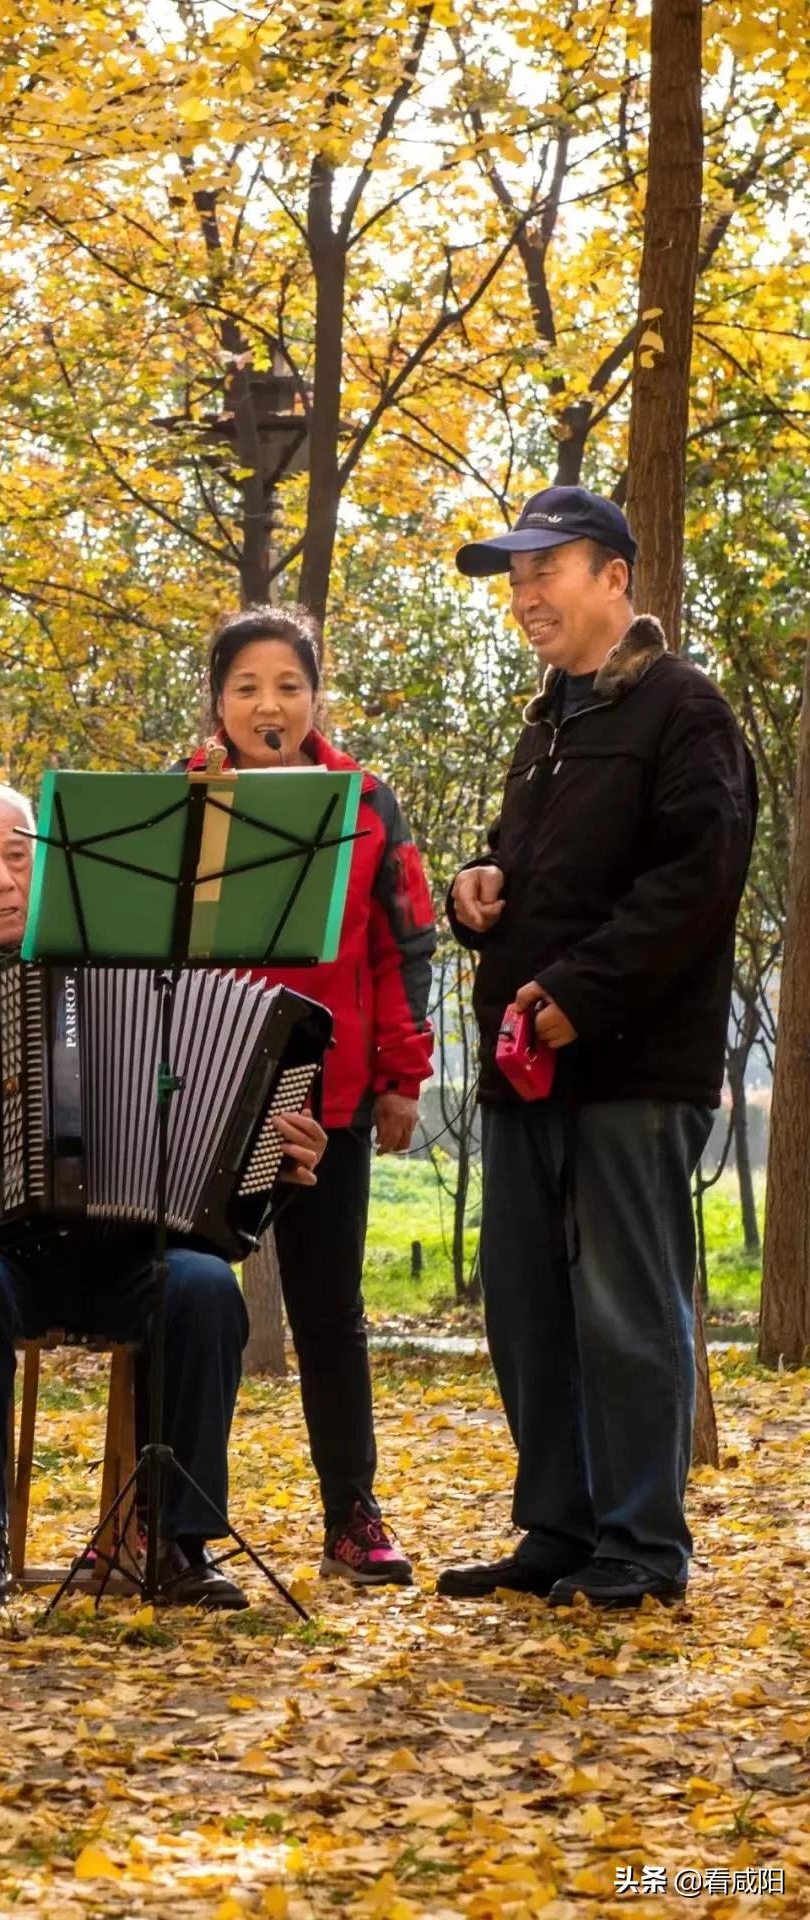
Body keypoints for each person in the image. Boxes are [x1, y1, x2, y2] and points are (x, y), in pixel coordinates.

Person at [0, 779, 327, 1608]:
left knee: (205, 1286)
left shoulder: (132, 963)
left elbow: (219, 1111)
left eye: (18, 855)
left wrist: (275, 1151)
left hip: (131, 1256)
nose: (5, 880)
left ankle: (181, 1544)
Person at [438, 486, 757, 1610]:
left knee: (626, 1305)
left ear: (615, 577)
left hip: (630, 1065)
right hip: (527, 1068)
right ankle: (559, 1531)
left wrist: (580, 993)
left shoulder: (686, 709)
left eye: (547, 571)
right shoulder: (549, 724)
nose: (526, 595)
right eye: (516, 578)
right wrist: (477, 884)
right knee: (527, 1310)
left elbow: (695, 883)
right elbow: (536, 869)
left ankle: (642, 1546)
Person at [182, 605, 436, 1587]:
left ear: (315, 698)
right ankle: (177, 1524)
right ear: (218, 702)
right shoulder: (182, 799)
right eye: (247, 686)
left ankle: (352, 1519)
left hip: (328, 1094)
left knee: (331, 1312)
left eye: (289, 685)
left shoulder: (368, 800)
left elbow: (404, 945)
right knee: (187, 1303)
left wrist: (404, 1076)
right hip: (203, 1090)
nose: (270, 704)